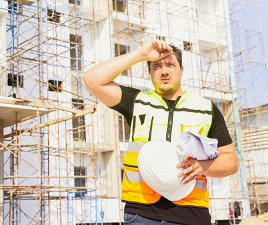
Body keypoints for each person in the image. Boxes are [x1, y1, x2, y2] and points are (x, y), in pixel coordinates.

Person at [83, 40, 238, 225]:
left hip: (191, 214)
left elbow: (231, 161)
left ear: (181, 69)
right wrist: (140, 54)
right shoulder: (137, 102)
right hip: (141, 214)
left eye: (170, 65)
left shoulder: (206, 109)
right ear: (149, 72)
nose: (164, 71)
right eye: (157, 66)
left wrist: (203, 166)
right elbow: (92, 80)